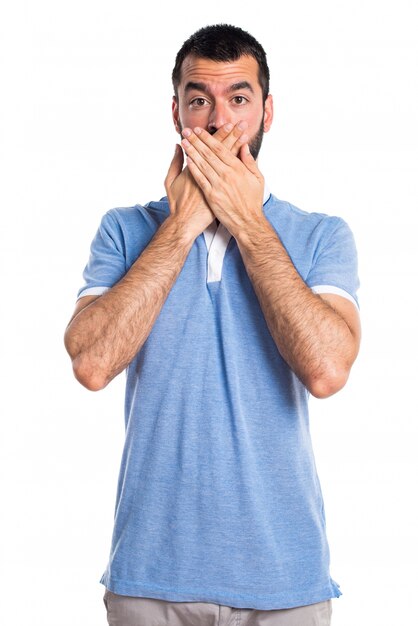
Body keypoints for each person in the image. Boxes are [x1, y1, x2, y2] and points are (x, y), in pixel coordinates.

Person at [64, 23, 361, 626]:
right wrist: (179, 229)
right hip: (149, 577)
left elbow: (328, 371)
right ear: (176, 113)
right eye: (199, 100)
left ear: (267, 112)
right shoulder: (124, 230)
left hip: (285, 583)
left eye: (239, 100)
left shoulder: (322, 234)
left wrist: (247, 224)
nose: (219, 122)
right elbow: (91, 364)